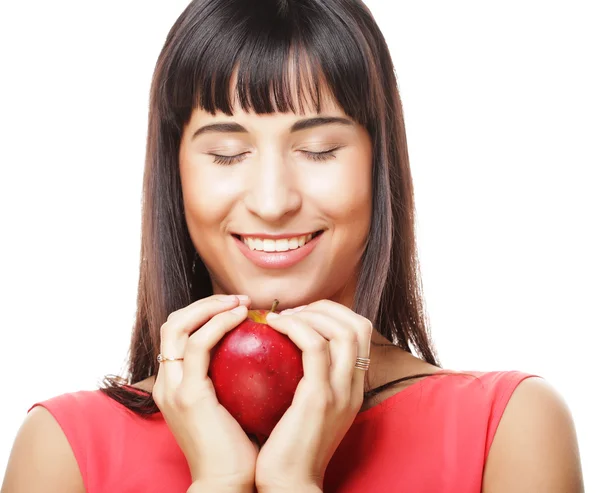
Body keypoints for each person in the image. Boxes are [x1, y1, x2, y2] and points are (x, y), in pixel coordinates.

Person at [1, 1, 584, 492]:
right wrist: (219, 481)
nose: (273, 201)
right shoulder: (64, 452)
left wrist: (294, 484)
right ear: (174, 175)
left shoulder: (508, 429)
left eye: (320, 150)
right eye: (227, 154)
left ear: (380, 166)